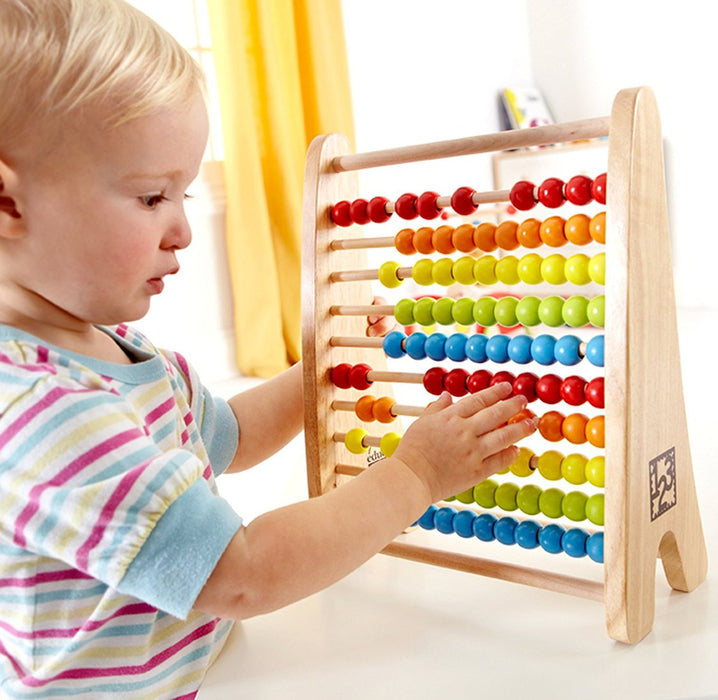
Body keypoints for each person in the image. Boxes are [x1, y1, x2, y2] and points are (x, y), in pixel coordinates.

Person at [0, 0, 537, 696]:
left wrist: (334, 360)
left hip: (204, 667)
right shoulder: (42, 414)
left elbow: (230, 435)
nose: (184, 230)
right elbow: (241, 574)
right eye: (152, 197)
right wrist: (414, 476)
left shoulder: (117, 349)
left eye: (186, 193)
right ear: (9, 204)